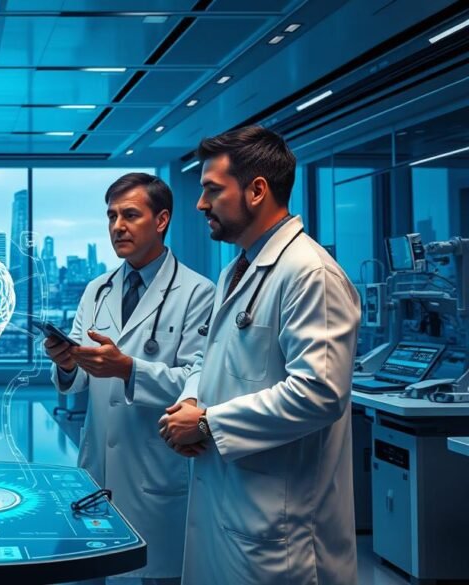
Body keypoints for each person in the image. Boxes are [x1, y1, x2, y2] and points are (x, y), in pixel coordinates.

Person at [159, 126, 360, 584]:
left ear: (256, 190)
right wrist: (192, 400)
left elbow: (319, 393)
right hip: (234, 507)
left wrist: (210, 423)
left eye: (212, 189)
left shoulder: (310, 274)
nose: (200, 204)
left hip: (280, 532)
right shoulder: (237, 268)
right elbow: (212, 359)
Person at [45, 172, 215, 584]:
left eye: (130, 215)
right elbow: (79, 380)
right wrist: (67, 362)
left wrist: (129, 369)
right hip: (99, 470)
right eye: (111, 216)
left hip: (158, 473)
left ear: (161, 220)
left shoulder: (198, 293)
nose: (117, 226)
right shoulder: (97, 290)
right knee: (97, 569)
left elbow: (200, 383)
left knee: (155, 574)